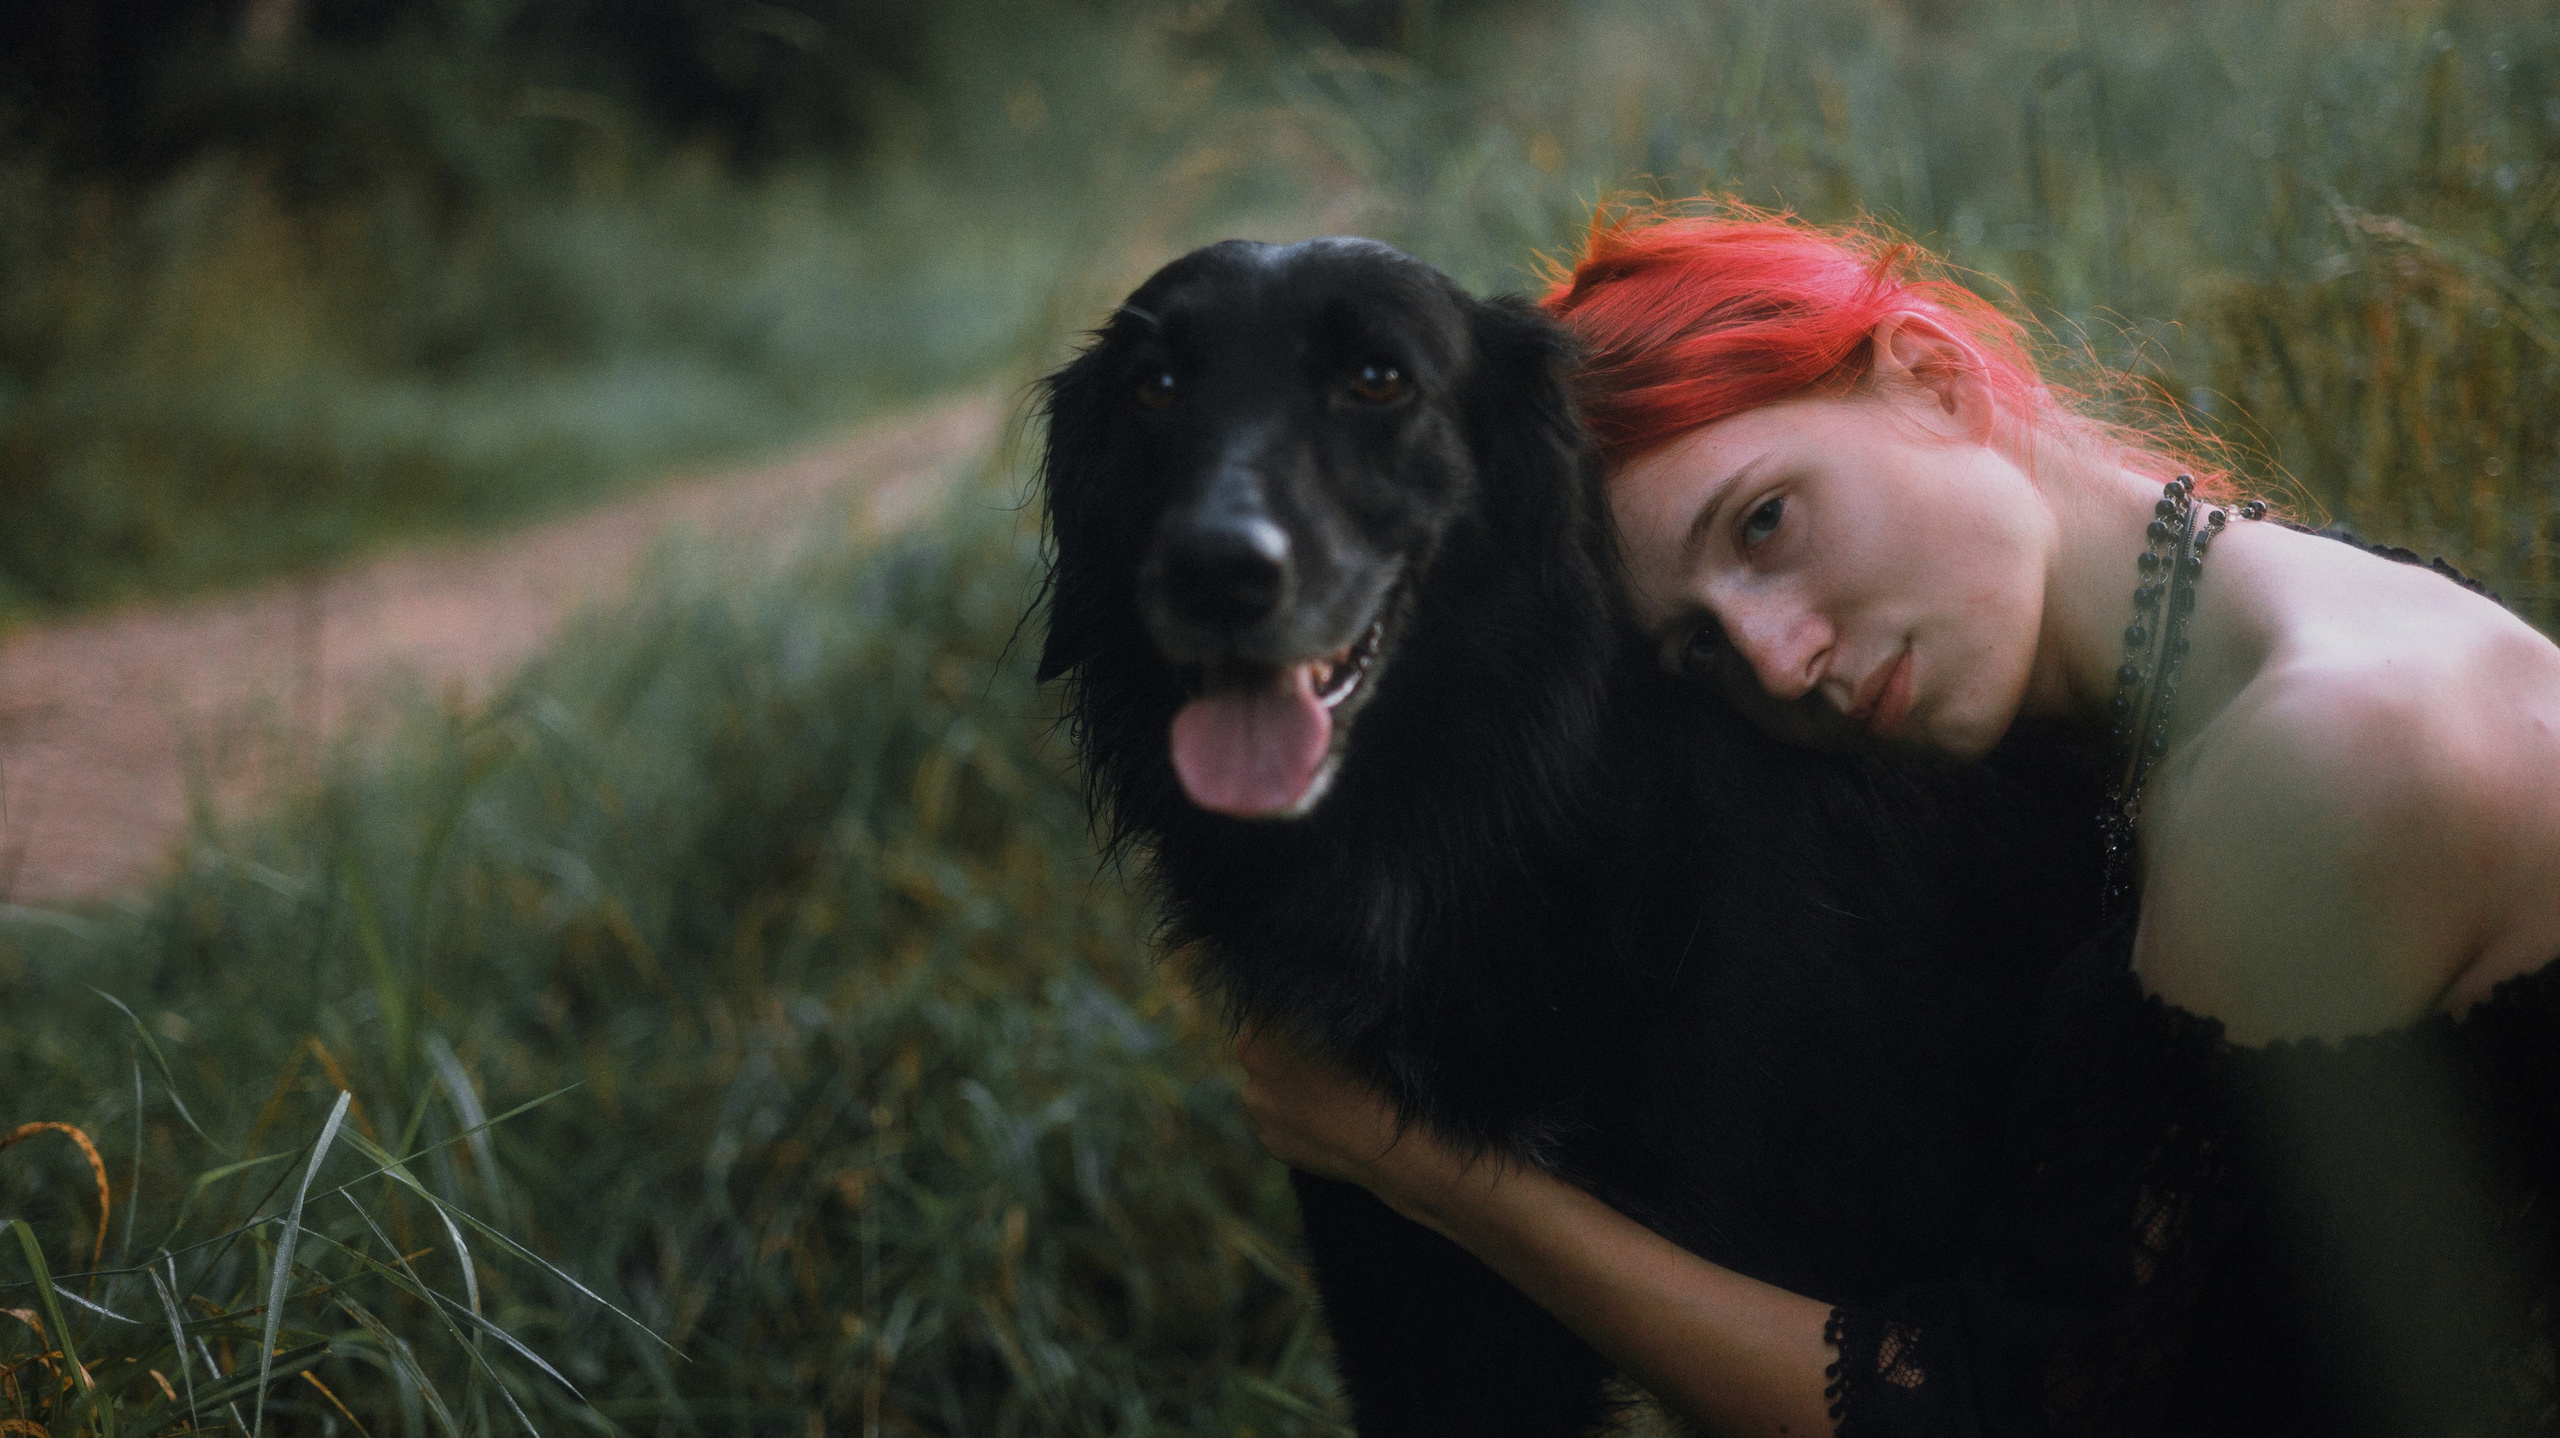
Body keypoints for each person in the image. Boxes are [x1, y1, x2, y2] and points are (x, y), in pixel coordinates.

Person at [1236, 203, 2560, 1437]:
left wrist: (1426, 1171)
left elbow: (1998, 1407)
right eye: (1697, 648)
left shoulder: (2312, 753)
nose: (1775, 659)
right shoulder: (2251, 634)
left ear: (1930, 374)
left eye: (1764, 522)